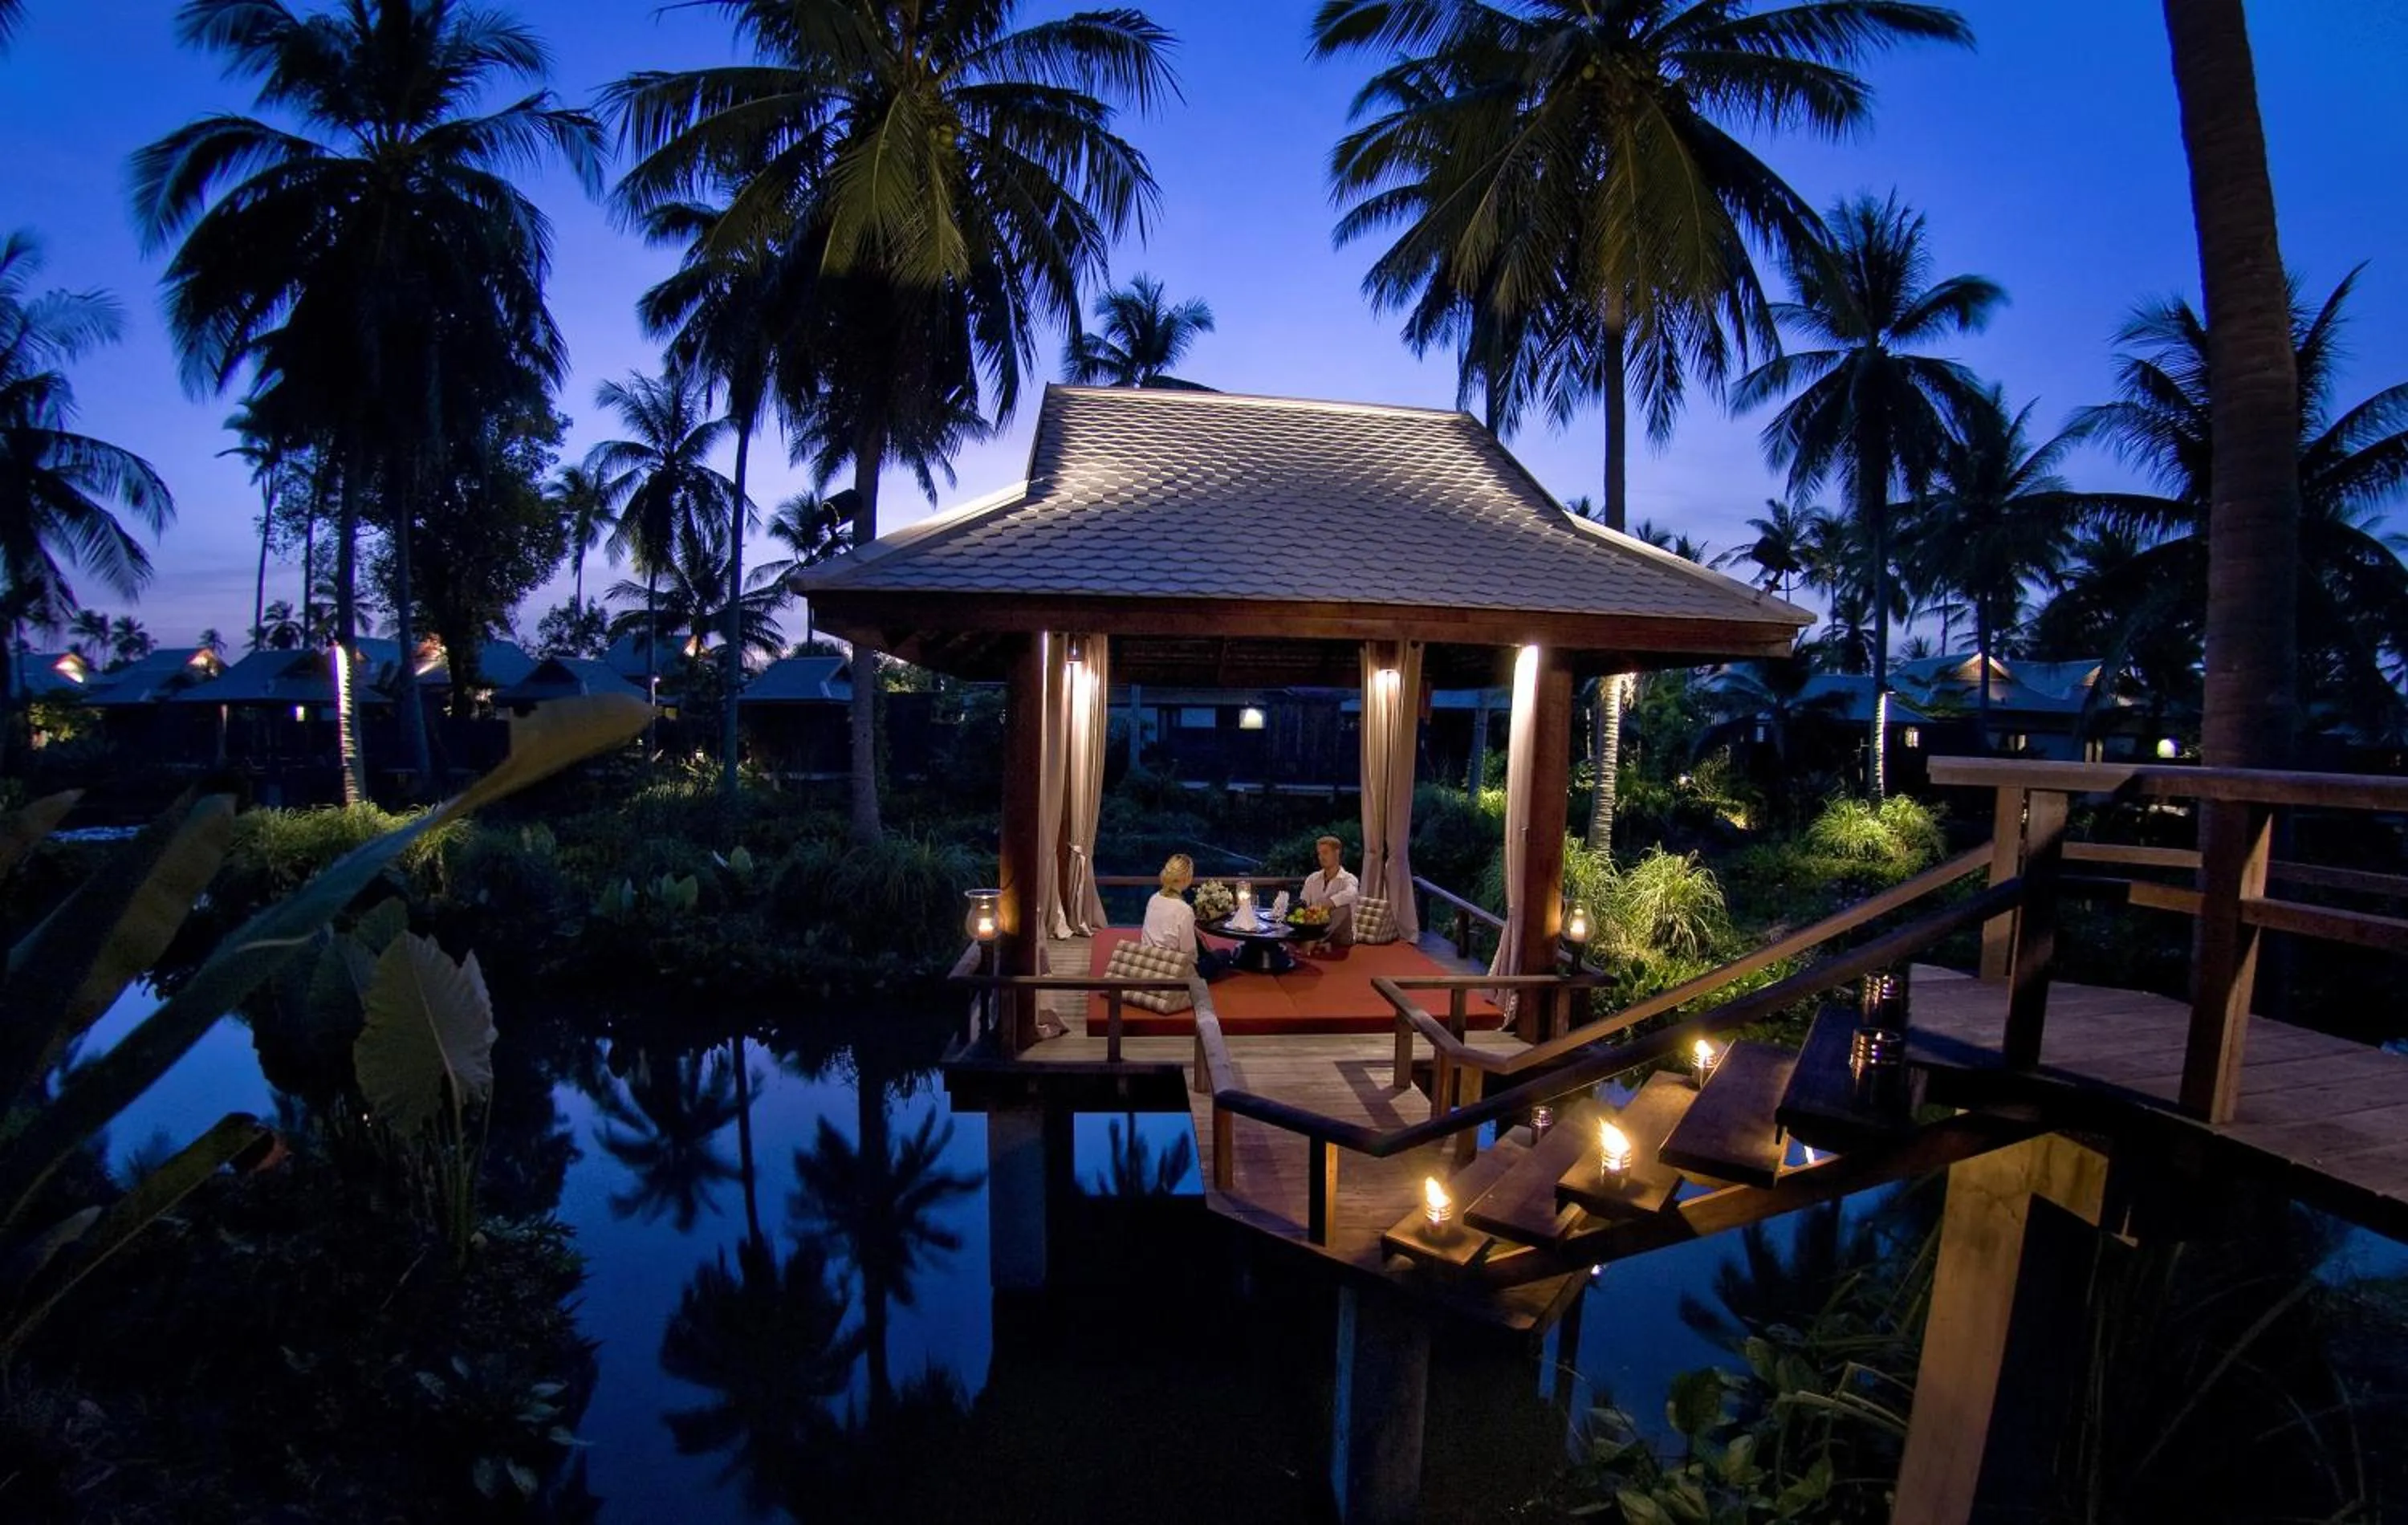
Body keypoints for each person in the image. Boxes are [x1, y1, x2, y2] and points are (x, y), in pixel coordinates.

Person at [1143, 852, 1228, 978]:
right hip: (1174, 971)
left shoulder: (1153, 899)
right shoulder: (1184, 910)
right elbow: (1190, 956)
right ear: (1186, 878)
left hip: (1150, 962)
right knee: (1224, 955)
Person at [1300, 835, 1360, 946]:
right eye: (1319, 854)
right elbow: (1303, 901)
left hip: (1342, 934)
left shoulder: (1349, 879)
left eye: (1325, 853)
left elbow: (1352, 894)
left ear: (1337, 853)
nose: (1321, 857)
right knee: (1299, 911)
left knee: (1343, 909)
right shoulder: (1312, 879)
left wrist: (1329, 903)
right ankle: (1319, 942)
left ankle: (1313, 942)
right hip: (1315, 927)